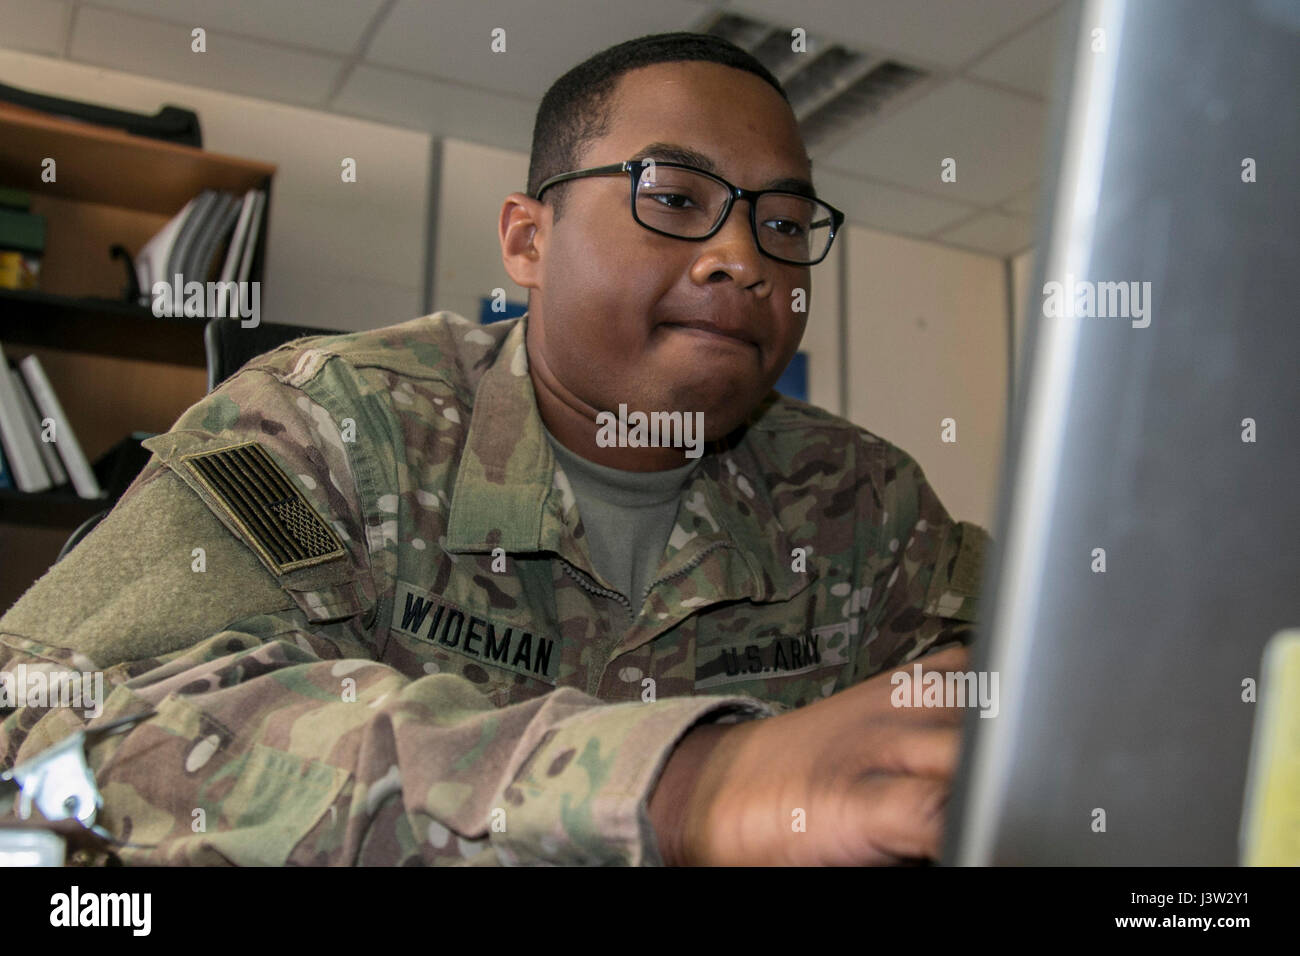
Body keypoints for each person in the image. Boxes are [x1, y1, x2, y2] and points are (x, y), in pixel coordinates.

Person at [0, 32, 988, 866]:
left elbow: (1021, 691)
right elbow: (49, 719)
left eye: (782, 222)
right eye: (676, 198)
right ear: (527, 240)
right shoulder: (327, 426)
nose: (744, 258)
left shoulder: (866, 496)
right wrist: (686, 783)